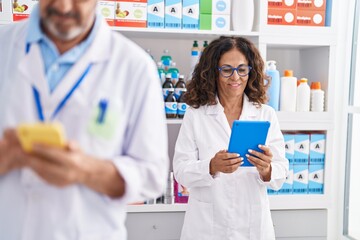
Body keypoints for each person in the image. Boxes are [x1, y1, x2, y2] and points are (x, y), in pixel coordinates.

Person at [0, 1, 168, 239]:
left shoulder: (135, 67)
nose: (64, 7)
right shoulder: (4, 46)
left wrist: (86, 171)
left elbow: (152, 176)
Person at [173, 36, 289, 240]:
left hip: (252, 226)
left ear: (250, 71)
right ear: (212, 73)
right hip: (207, 227)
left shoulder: (265, 114)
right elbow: (181, 171)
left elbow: (281, 171)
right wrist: (210, 167)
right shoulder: (196, 114)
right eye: (227, 70)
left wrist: (267, 169)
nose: (235, 77)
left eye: (242, 69)